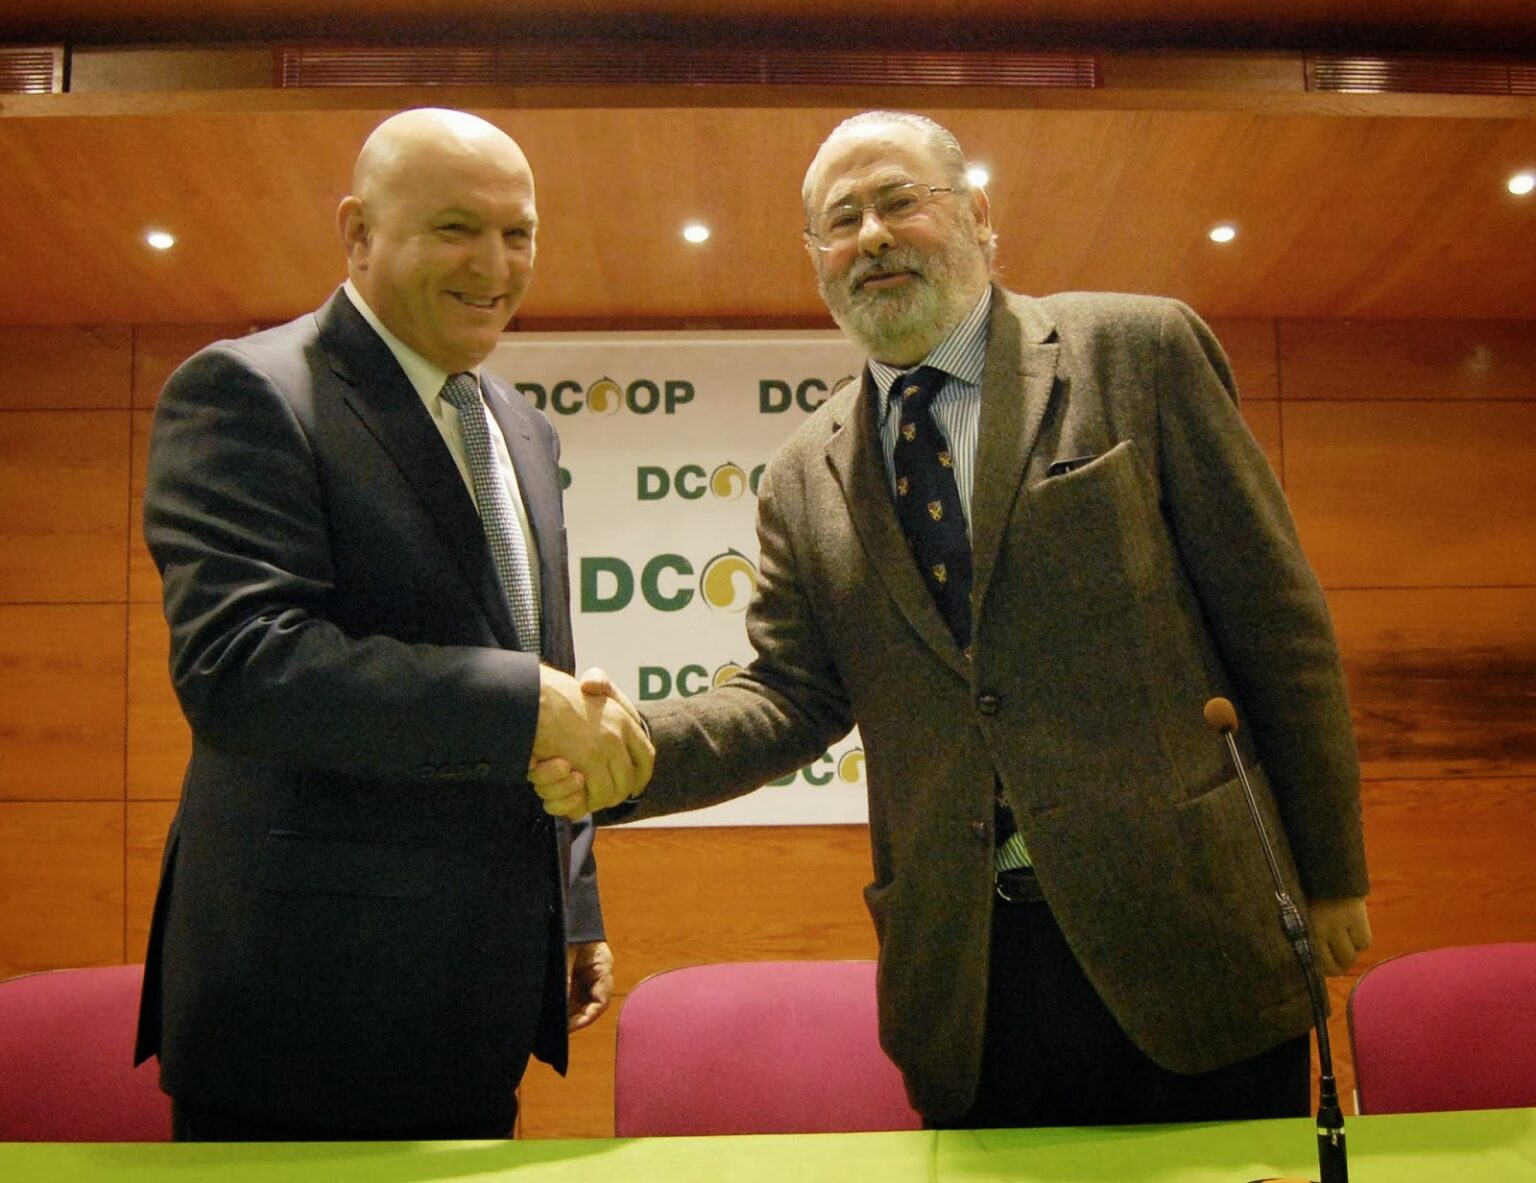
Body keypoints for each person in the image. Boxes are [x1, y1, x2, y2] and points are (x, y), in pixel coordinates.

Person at [538, 110, 1371, 1129]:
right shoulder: (804, 474)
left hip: (1195, 938)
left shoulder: (1138, 350)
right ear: (816, 260)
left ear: (978, 214)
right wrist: (627, 756)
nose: (872, 236)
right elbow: (789, 696)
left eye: (900, 200)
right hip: (971, 987)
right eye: (841, 221)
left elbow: (1276, 622)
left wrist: (1332, 874)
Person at [134, 107, 652, 1141]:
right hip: (298, 1011)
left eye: (518, 232)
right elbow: (242, 665)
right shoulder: (247, 390)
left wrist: (569, 902)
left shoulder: (521, 427)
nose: (495, 264)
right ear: (358, 232)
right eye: (457, 228)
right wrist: (524, 703)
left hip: (478, 1000)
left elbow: (539, 666)